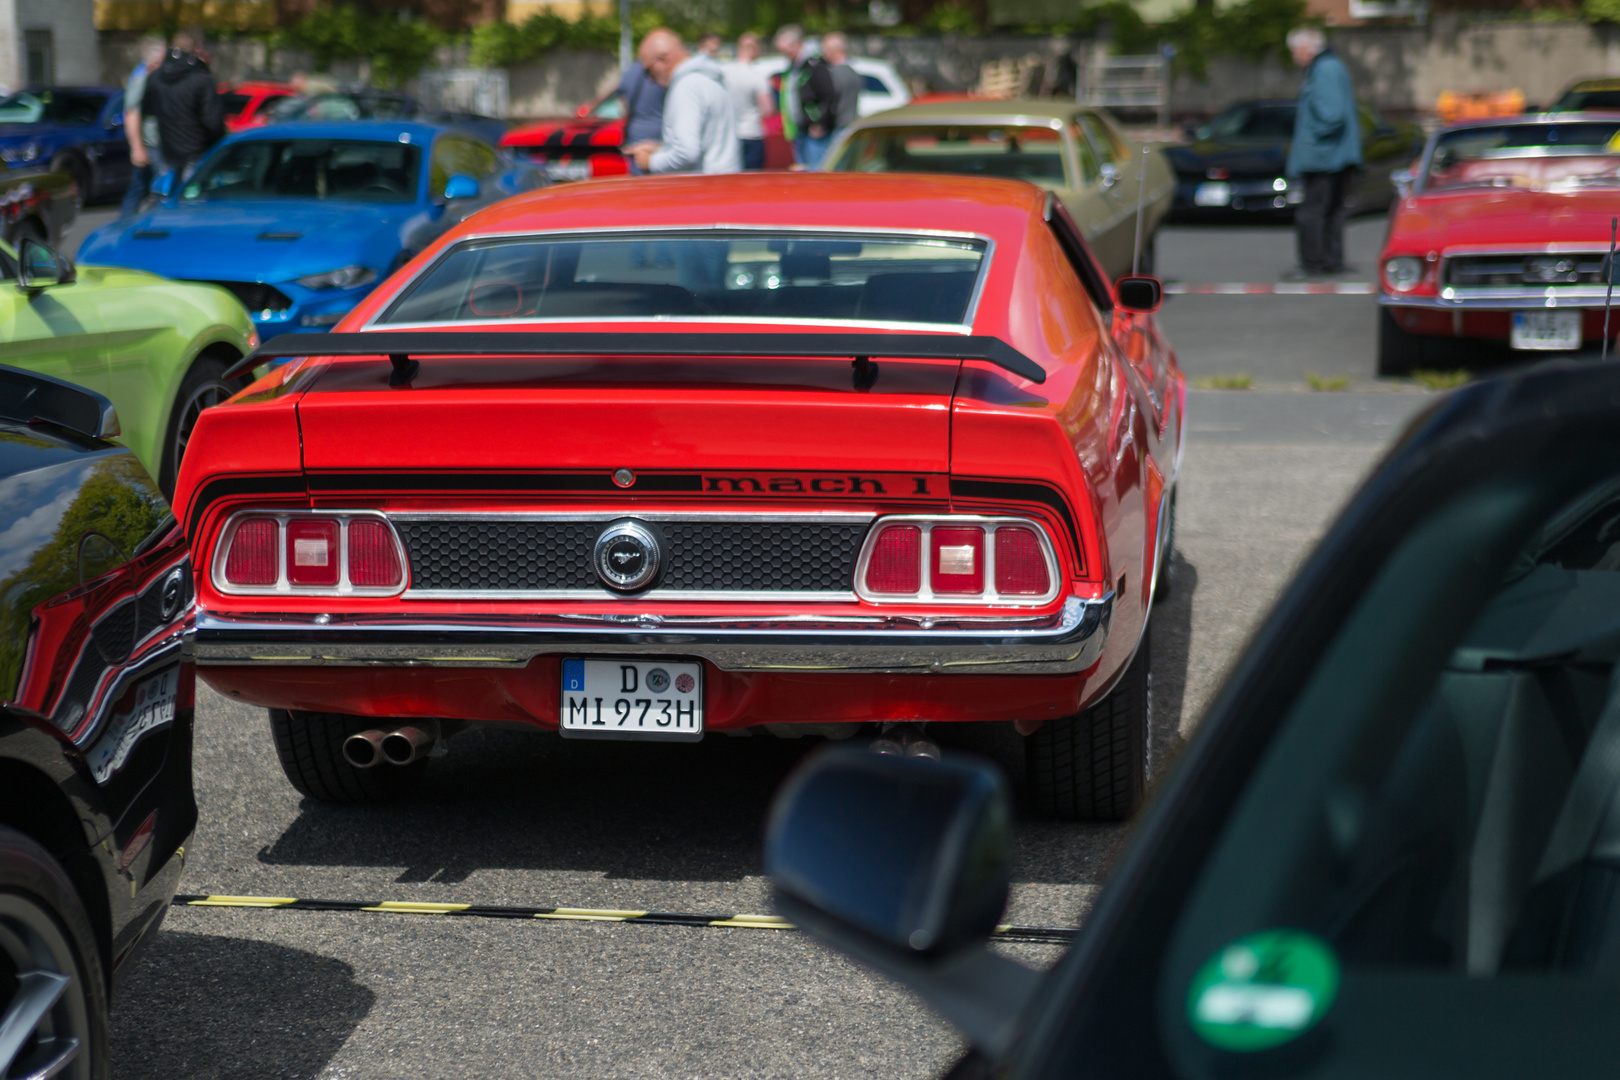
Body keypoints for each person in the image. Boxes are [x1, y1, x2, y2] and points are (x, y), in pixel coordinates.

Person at [1285, 26, 1362, 278]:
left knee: (1313, 212)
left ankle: (1314, 263)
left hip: (1325, 157)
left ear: (1306, 49)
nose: (1294, 56)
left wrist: (1311, 140)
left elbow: (1332, 114)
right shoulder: (1332, 65)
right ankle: (1331, 261)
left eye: (1295, 50)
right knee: (1332, 210)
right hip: (1334, 155)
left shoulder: (1323, 69)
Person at [627, 29, 741, 176]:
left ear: (663, 59)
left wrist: (650, 161)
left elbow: (686, 154)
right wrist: (662, 149)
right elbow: (707, 142)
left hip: (706, 190)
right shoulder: (708, 78)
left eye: (648, 70)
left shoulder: (685, 87)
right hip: (724, 184)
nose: (650, 79)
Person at [142, 30, 225, 181]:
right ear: (197, 49)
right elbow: (213, 122)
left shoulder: (154, 79)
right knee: (194, 200)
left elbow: (148, 114)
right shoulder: (201, 80)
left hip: (166, 152)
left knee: (166, 198)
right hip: (197, 152)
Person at [772, 24, 836, 169]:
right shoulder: (794, 67)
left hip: (813, 130)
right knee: (802, 172)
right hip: (798, 129)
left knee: (816, 171)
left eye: (786, 50)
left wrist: (819, 123)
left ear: (797, 44)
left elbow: (828, 94)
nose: (785, 54)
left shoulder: (814, 64)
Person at [119, 37, 166, 218]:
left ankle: (126, 223)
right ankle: (127, 225)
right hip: (150, 145)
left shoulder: (148, 77)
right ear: (155, 62)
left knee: (139, 188)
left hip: (151, 144)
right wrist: (137, 148)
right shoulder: (142, 79)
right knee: (160, 187)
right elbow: (131, 113)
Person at [722, 32, 775, 171]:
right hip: (752, 133)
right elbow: (768, 110)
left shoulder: (723, 72)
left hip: (728, 135)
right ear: (754, 50)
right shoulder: (757, 76)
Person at [821, 32, 862, 140]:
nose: (823, 53)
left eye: (824, 49)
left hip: (837, 125)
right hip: (851, 123)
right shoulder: (853, 72)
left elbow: (831, 100)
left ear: (833, 50)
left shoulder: (835, 73)